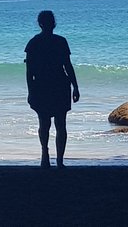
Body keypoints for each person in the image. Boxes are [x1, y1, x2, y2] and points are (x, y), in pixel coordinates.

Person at [25, 10, 80, 168]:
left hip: (42, 85)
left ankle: (45, 154)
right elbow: (67, 66)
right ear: (53, 23)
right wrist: (75, 86)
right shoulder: (60, 41)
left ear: (40, 23)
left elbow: (30, 72)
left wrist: (30, 91)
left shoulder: (33, 43)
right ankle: (59, 160)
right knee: (60, 124)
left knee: (44, 123)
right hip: (59, 85)